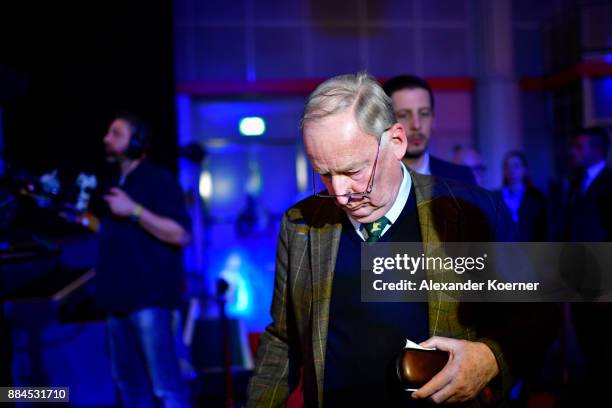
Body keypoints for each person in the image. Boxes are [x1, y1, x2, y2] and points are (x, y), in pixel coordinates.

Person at [247, 73, 556, 407]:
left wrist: (489, 358)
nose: (339, 193)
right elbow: (284, 337)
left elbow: (538, 311)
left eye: (353, 172)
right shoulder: (301, 224)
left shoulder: (473, 212)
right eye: (324, 173)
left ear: (396, 142)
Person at [95, 113, 191, 407]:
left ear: (136, 142)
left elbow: (181, 234)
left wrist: (134, 210)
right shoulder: (113, 183)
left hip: (150, 301)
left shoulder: (159, 180)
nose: (106, 139)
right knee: (130, 388)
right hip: (116, 302)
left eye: (116, 133)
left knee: (167, 388)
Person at [565, 126, 612, 404]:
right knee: (587, 340)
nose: (573, 152)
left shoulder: (609, 182)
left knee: (603, 341)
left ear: (597, 149)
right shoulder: (576, 181)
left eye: (579, 147)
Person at [382, 75, 476, 185]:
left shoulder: (460, 179)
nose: (416, 125)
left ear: (433, 119)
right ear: (385, 121)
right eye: (404, 115)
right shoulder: (368, 182)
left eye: (424, 114)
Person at [496, 150, 547, 242]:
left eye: (516, 166)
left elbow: (542, 228)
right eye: (507, 166)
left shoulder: (536, 197)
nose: (511, 170)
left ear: (525, 170)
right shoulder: (496, 197)